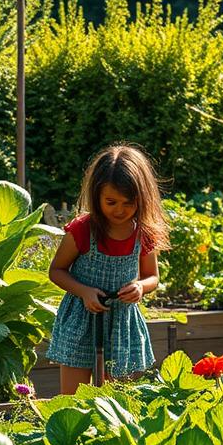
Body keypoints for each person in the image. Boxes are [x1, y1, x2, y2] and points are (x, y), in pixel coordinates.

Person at [48, 144, 170, 394]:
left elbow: (152, 277)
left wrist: (139, 287)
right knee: (73, 399)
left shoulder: (142, 233)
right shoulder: (83, 229)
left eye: (128, 203)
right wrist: (83, 291)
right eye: (111, 202)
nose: (119, 210)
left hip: (121, 322)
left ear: (142, 199)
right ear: (97, 195)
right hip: (81, 320)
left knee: (118, 401)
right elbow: (57, 271)